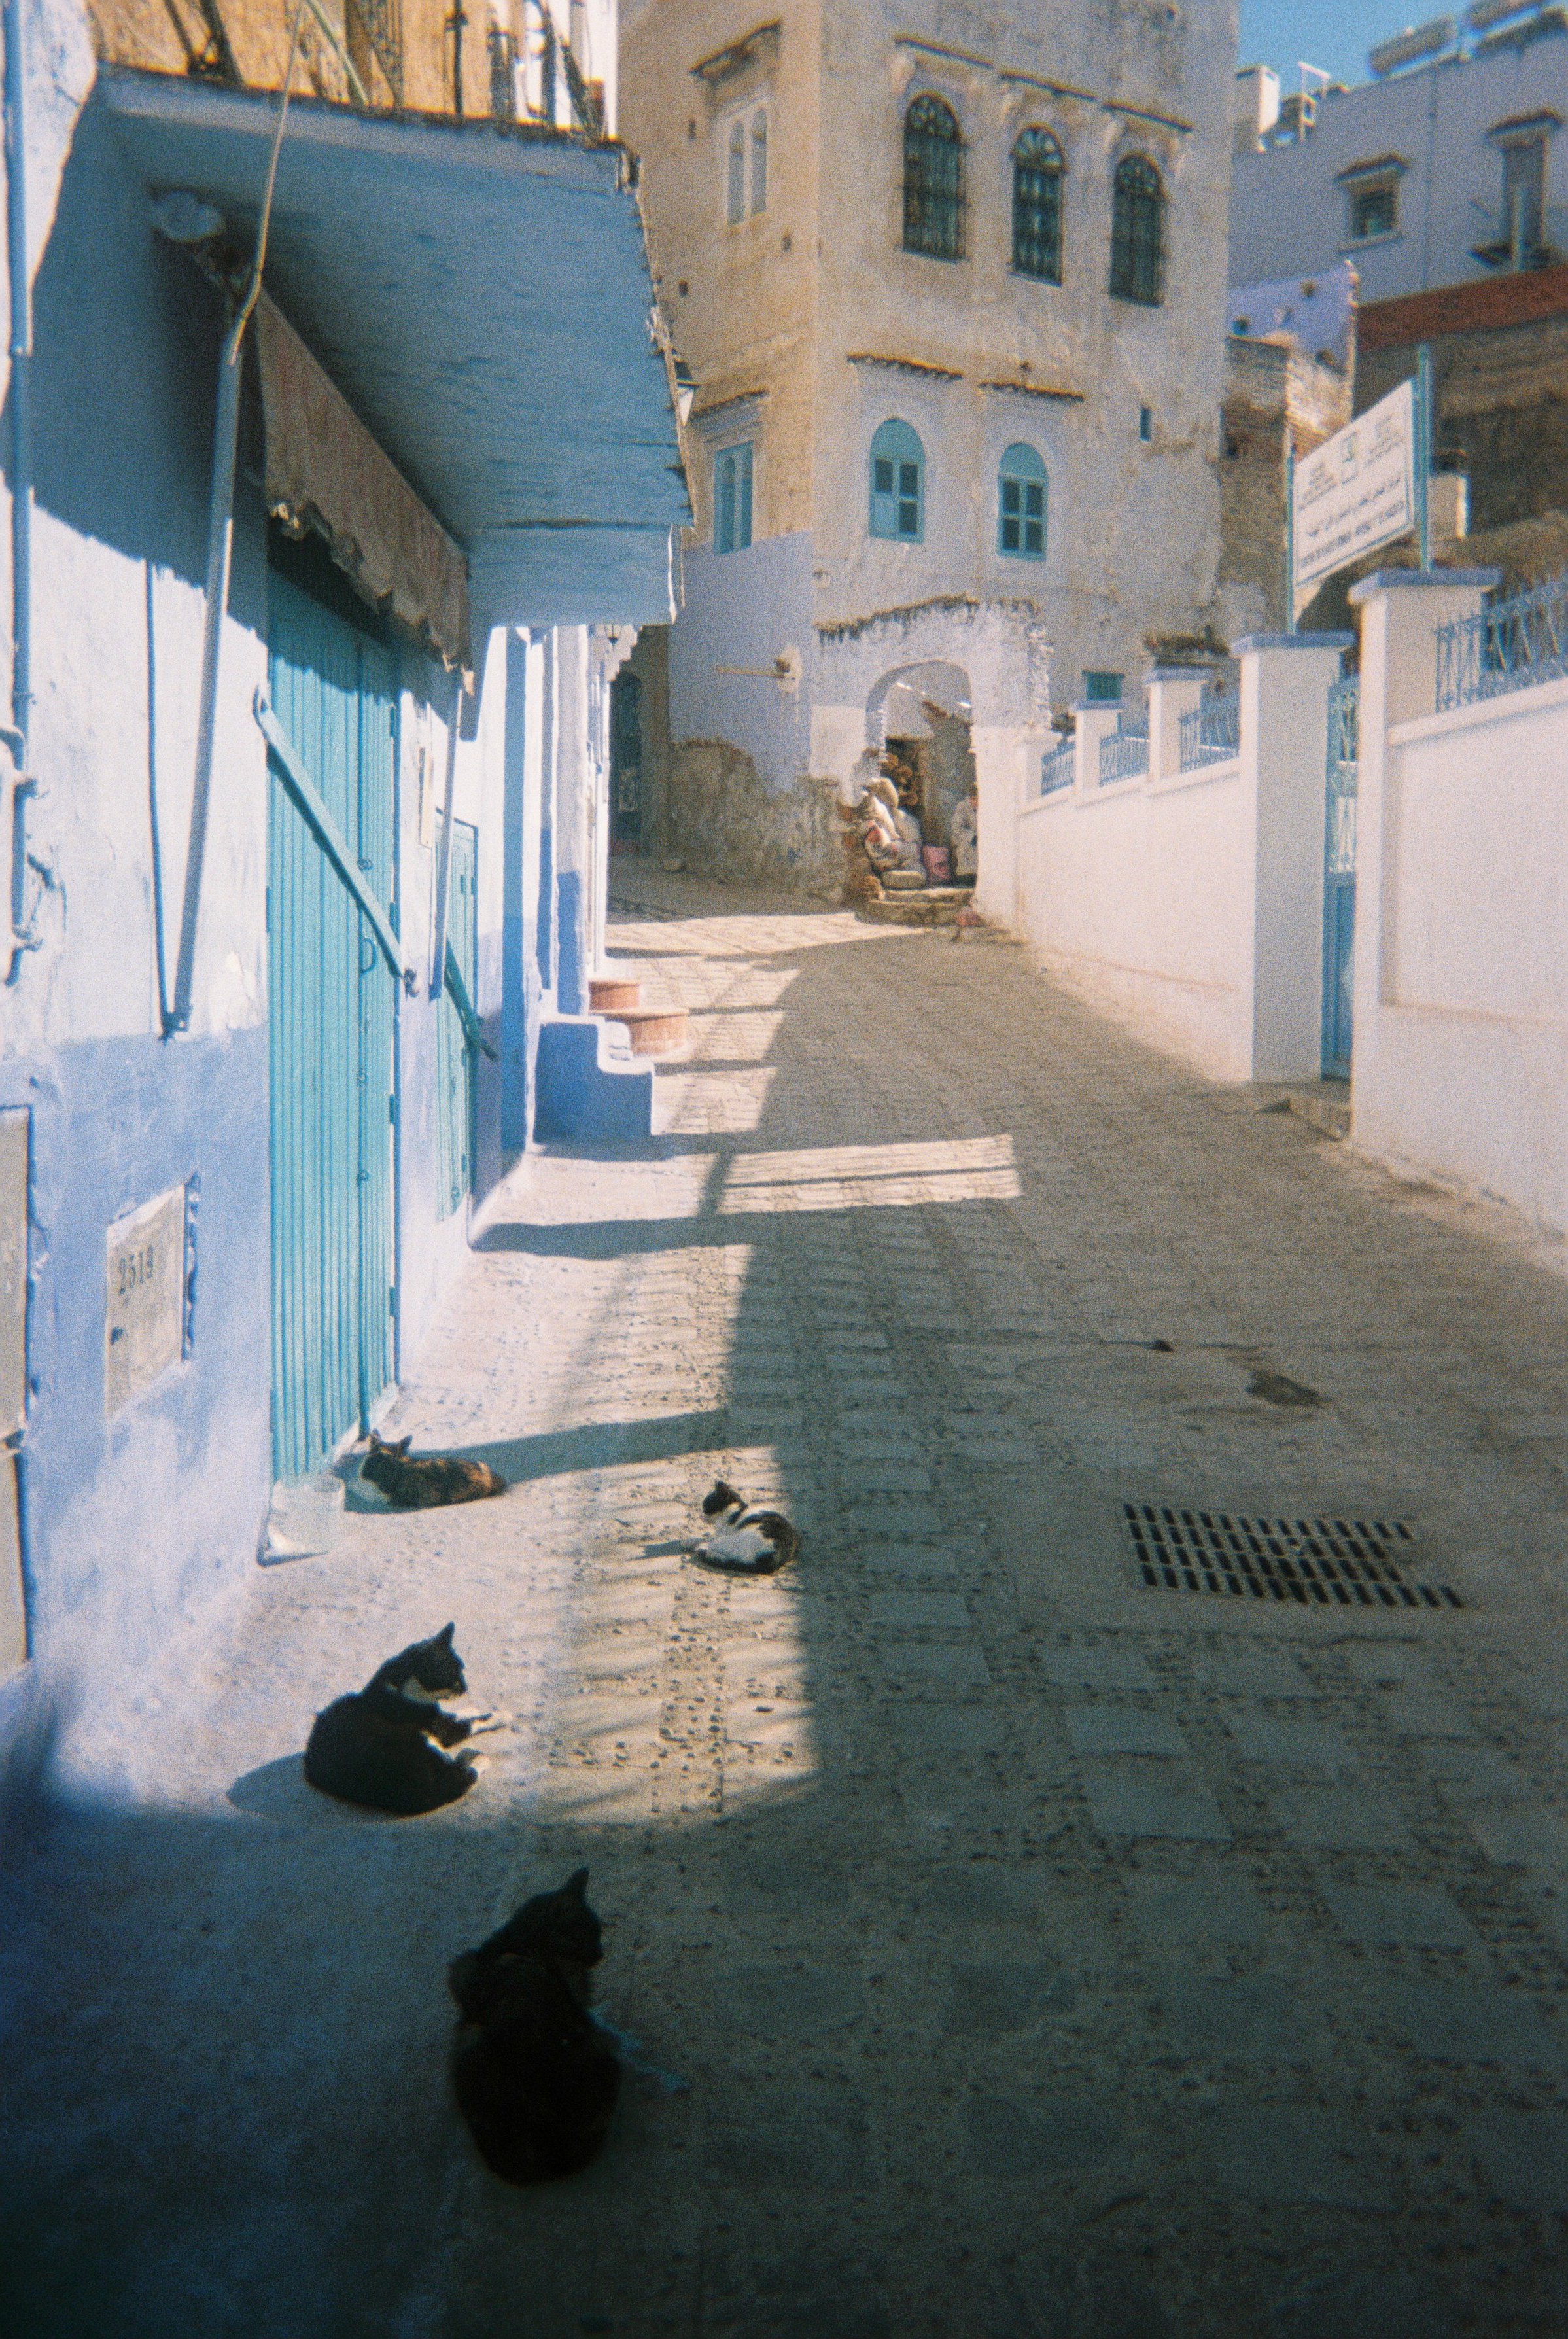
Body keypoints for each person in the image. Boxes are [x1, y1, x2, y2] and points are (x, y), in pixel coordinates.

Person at [950, 779, 978, 884]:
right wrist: (972, 837)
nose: (976, 802)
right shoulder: (963, 806)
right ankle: (966, 877)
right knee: (965, 848)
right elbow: (957, 827)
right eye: (973, 799)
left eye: (978, 799)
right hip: (967, 838)